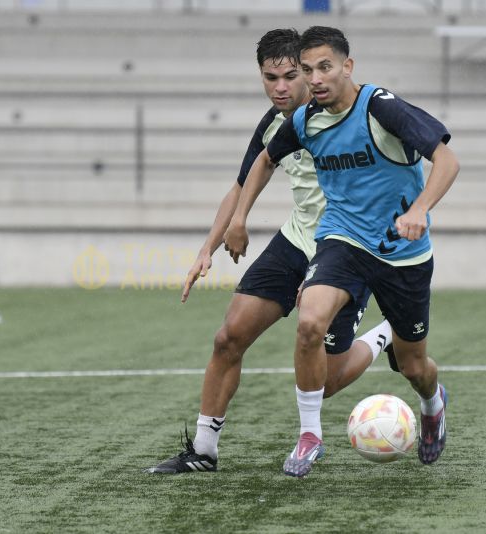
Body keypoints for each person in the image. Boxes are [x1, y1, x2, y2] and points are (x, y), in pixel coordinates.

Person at [145, 29, 393, 474]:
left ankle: (383, 335)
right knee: (229, 336)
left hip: (348, 248)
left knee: (328, 381)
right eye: (269, 77)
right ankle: (203, 450)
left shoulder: (349, 113)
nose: (280, 87)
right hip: (298, 240)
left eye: (290, 76)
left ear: (309, 70)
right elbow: (242, 183)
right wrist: (211, 245)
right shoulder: (275, 122)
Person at [225, 26, 460, 477]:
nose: (315, 78)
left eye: (325, 67)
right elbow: (265, 160)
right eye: (308, 70)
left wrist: (421, 208)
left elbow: (447, 160)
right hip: (343, 239)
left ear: (347, 67)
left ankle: (433, 404)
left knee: (414, 366)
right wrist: (239, 218)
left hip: (402, 252)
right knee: (310, 321)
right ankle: (310, 437)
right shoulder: (304, 119)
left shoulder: (381, 107)